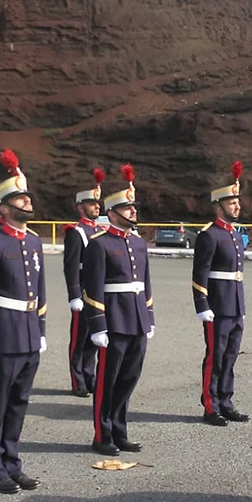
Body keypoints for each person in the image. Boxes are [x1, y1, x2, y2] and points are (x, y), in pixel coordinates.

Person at [0, 149, 47, 494]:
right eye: (20, 198)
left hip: (28, 334)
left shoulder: (32, 240)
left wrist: (41, 330)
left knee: (19, 403)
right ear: (4, 207)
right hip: (3, 334)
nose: (27, 202)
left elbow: (40, 290)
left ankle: (12, 463)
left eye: (27, 196)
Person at [81, 164, 153, 456]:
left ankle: (120, 431)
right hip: (114, 322)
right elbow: (92, 288)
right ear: (112, 212)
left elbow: (145, 284)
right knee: (107, 381)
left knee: (128, 379)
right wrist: (97, 326)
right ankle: (103, 434)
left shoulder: (138, 243)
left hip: (136, 320)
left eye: (133, 207)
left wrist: (149, 317)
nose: (133, 211)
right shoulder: (99, 244)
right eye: (127, 207)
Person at [192, 161, 250, 426]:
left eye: (238, 203)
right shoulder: (210, 235)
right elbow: (200, 273)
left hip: (235, 305)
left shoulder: (236, 236)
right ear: (219, 206)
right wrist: (202, 304)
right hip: (217, 306)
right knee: (215, 356)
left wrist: (241, 307)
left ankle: (226, 402)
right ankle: (210, 406)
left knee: (230, 356)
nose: (237, 207)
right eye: (232, 203)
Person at [63, 167, 105, 397]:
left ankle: (90, 377)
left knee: (93, 337)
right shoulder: (75, 232)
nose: (97, 206)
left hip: (97, 292)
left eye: (98, 203)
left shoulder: (99, 231)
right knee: (79, 339)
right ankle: (77, 380)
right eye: (92, 203)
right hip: (83, 291)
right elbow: (70, 266)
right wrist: (74, 295)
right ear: (81, 207)